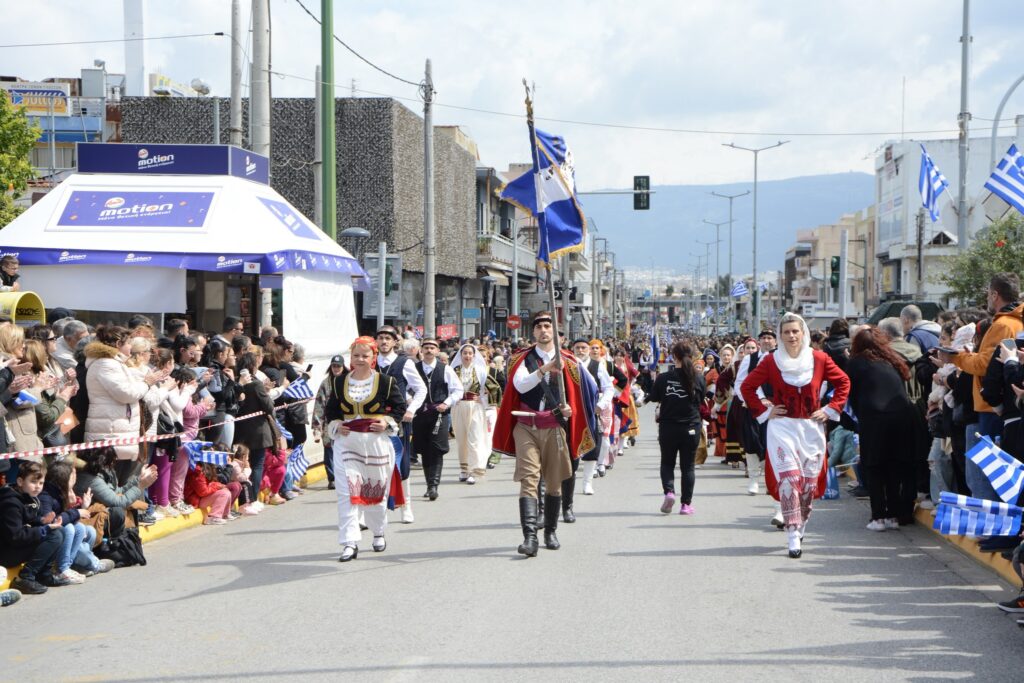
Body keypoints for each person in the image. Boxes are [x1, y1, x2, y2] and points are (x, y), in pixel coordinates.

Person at [740, 313, 850, 559]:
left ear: (803, 334)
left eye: (795, 331)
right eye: (786, 332)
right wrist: (766, 410)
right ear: (780, 335)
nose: (791, 336)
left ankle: (801, 525)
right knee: (790, 480)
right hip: (782, 428)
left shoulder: (819, 359)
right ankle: (791, 533)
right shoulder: (770, 361)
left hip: (811, 429)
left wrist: (831, 409)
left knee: (808, 486)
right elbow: (747, 387)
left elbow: (843, 382)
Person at [492, 311, 596, 557]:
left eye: (547, 326)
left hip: (555, 426)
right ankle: (530, 537)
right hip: (526, 425)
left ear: (555, 331)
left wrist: (572, 408)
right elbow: (520, 385)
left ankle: (550, 530)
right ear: (533, 332)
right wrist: (546, 368)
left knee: (553, 481)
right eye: (538, 326)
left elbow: (589, 388)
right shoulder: (521, 359)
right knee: (529, 479)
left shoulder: (570, 361)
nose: (543, 330)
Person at [941, 274, 1024, 508]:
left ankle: (992, 529)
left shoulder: (1003, 324)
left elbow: (985, 365)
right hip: (1009, 406)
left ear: (995, 295)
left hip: (992, 408)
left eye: (988, 293)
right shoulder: (1016, 322)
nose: (987, 298)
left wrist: (956, 357)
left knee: (984, 476)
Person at [323, 336, 407, 562]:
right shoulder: (340, 382)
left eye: (365, 355)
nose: (359, 360)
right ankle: (349, 542)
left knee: (375, 493)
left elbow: (400, 407)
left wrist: (387, 422)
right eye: (356, 355)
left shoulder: (386, 381)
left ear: (374, 358)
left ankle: (378, 531)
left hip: (375, 444)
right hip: (347, 444)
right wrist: (336, 424)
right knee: (347, 494)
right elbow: (331, 410)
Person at [845, 326, 917, 531]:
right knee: (895, 466)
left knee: (875, 467)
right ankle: (894, 515)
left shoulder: (856, 363)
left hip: (874, 418)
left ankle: (878, 516)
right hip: (902, 416)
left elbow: (852, 396)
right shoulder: (892, 360)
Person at [83, 327, 165, 482]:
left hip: (117, 428)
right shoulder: (106, 364)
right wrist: (147, 383)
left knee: (119, 481)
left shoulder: (114, 363)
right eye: (128, 343)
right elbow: (126, 394)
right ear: (118, 343)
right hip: (110, 431)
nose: (131, 348)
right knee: (111, 482)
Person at [375, 325, 426, 523]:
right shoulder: (371, 363)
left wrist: (411, 410)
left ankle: (406, 506)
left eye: (388, 338)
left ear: (396, 341)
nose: (384, 341)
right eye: (381, 338)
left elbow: (420, 389)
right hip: (375, 420)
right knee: (375, 465)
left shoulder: (404, 363)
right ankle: (375, 508)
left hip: (397, 420)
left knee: (402, 465)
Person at [649, 342, 706, 515]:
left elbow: (654, 397)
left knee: (667, 462)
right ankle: (686, 505)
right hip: (691, 426)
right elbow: (701, 400)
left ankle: (669, 492)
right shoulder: (699, 378)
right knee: (688, 466)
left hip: (668, 426)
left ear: (674, 357)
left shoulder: (664, 378)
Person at [0, 460, 69, 594]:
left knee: (59, 531)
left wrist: (43, 521)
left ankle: (44, 574)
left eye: (41, 483)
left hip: (16, 546)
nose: (38, 487)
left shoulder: (29, 497)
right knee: (53, 535)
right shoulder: (10, 503)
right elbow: (16, 536)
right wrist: (44, 529)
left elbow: (28, 521)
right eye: (33, 482)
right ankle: (25, 577)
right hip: (6, 551)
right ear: (20, 482)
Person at [412, 338, 463, 501]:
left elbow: (458, 390)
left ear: (437, 350)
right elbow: (403, 388)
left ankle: (434, 485)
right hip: (419, 414)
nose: (429, 350)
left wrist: (446, 403)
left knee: (436, 449)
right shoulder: (414, 368)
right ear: (421, 350)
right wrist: (409, 400)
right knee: (424, 449)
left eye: (432, 348)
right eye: (426, 347)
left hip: (439, 414)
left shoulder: (445, 369)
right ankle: (429, 485)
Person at [451, 343, 502, 485]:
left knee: (474, 438)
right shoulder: (453, 371)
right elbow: (446, 387)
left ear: (474, 356)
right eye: (464, 353)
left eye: (470, 353)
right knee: (461, 439)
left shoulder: (480, 371)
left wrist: (484, 400)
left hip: (475, 407)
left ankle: (474, 470)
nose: (467, 356)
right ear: (460, 355)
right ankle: (464, 469)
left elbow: (496, 389)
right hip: (458, 406)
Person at [312, 355, 346, 491]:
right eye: (334, 366)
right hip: (329, 423)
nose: (336, 368)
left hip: (346, 422)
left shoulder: (350, 380)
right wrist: (316, 425)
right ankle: (332, 478)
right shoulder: (325, 383)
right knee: (329, 450)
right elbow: (319, 404)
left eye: (338, 366)